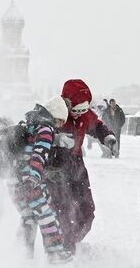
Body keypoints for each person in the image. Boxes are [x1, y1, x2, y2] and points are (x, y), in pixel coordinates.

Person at [47, 78, 115, 251]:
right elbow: (37, 134)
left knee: (87, 209)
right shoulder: (55, 114)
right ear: (67, 104)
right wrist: (55, 140)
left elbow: (97, 125)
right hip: (55, 167)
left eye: (84, 109)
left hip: (76, 166)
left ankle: (72, 238)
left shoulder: (85, 116)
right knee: (64, 208)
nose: (80, 113)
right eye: (76, 109)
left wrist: (106, 136)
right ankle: (65, 245)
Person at [12, 98, 75, 263]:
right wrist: (33, 177)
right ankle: (55, 254)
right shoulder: (46, 129)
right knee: (46, 214)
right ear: (56, 116)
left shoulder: (29, 124)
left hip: (13, 181)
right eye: (61, 120)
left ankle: (23, 254)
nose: (60, 125)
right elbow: (39, 154)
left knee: (28, 217)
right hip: (29, 180)